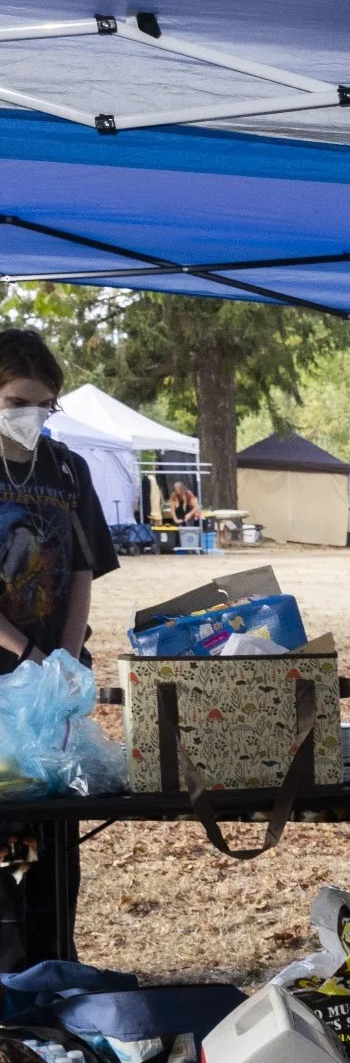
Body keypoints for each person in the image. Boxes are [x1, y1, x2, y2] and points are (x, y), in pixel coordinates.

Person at [0, 329, 121, 966]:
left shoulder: (66, 468)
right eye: (18, 401)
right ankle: (12, 970)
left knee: (51, 826)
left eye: (44, 405)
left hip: (49, 686)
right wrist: (26, 653)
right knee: (3, 832)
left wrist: (67, 656)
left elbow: (80, 568)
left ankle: (54, 961)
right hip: (11, 673)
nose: (31, 417)